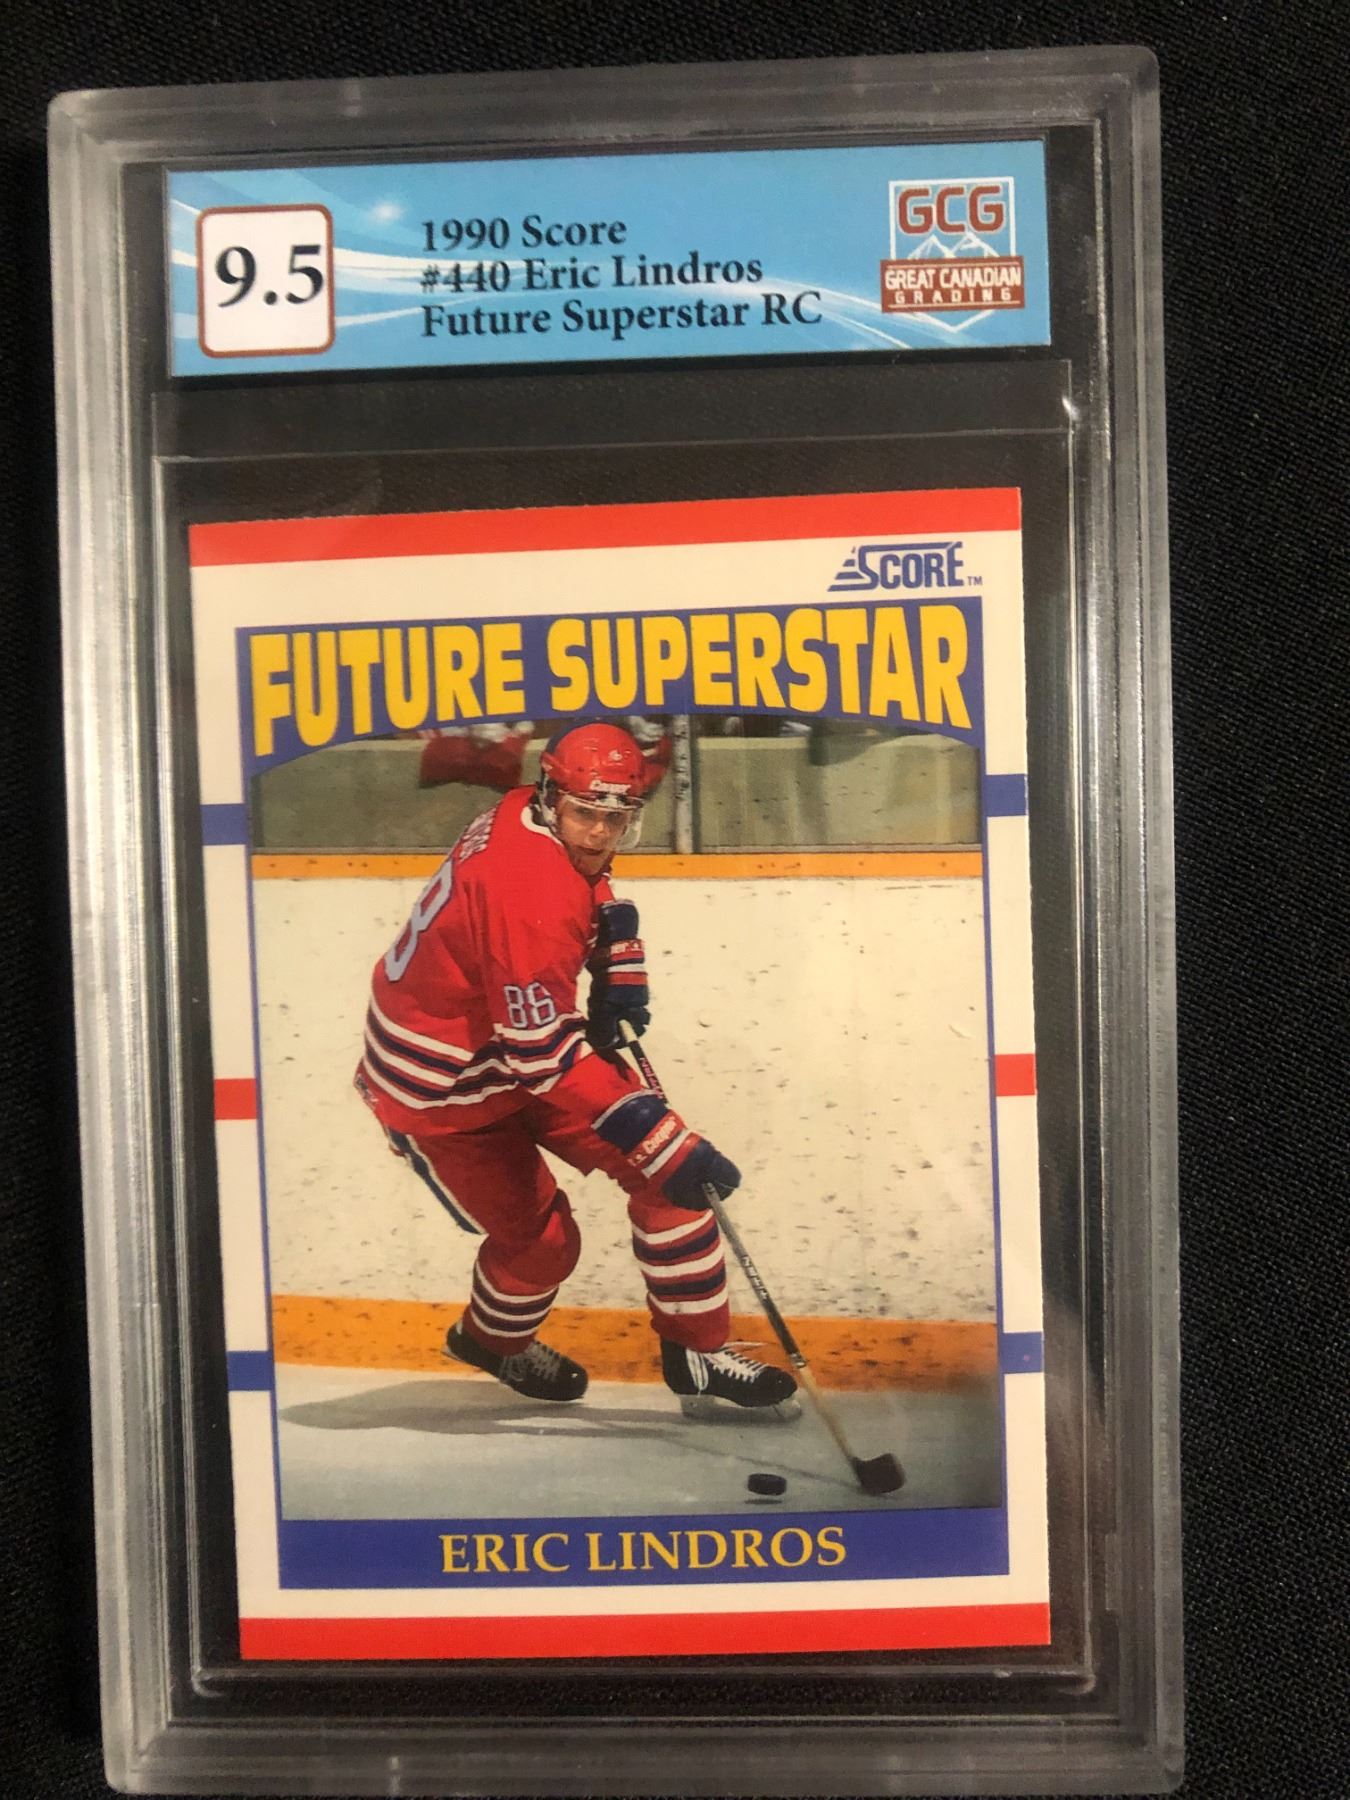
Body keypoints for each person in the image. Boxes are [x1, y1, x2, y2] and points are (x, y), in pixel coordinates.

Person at [355, 719, 797, 1414]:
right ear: (551, 796)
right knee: (546, 1243)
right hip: (439, 1085)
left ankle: (698, 1354)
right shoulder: (525, 890)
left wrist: (617, 951)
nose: (598, 833)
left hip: (510, 1045)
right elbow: (543, 1056)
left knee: (669, 1181)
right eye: (586, 814)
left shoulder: (523, 811)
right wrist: (657, 1135)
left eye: (616, 818)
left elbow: (587, 886)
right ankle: (490, 1341)